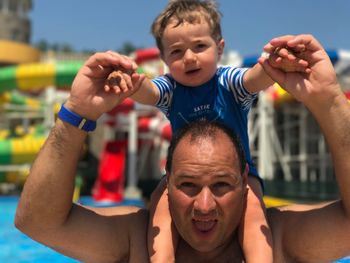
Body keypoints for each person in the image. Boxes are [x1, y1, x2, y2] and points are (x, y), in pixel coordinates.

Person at [15, 34, 350, 262]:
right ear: (167, 182)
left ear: (245, 182)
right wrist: (76, 113)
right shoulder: (138, 241)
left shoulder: (278, 239)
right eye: (188, 185)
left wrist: (331, 102)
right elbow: (37, 221)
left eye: (221, 185)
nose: (204, 206)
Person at [106, 1, 307, 262]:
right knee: (159, 207)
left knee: (255, 214)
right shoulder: (171, 89)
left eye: (200, 46)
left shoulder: (229, 82)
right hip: (185, 179)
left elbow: (254, 79)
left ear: (219, 48)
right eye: (176, 52)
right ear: (164, 59)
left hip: (239, 177)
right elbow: (149, 93)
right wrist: (131, 84)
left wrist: (275, 65)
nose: (189, 57)